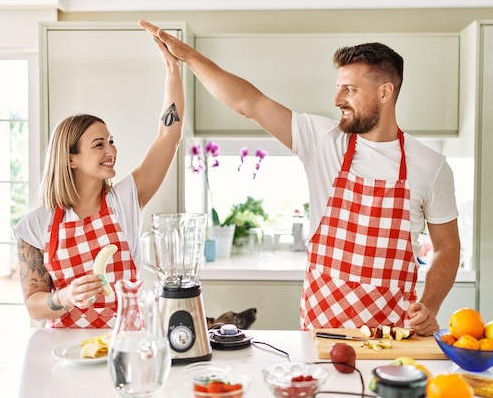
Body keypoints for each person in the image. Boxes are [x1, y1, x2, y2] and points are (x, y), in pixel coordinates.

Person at [139, 20, 461, 336]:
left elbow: (447, 247)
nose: (337, 101)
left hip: (393, 337)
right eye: (338, 89)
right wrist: (189, 57)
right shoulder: (323, 141)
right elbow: (248, 103)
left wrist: (429, 306)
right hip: (321, 331)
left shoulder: (430, 166)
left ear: (385, 92)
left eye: (349, 90)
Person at [13, 25, 184, 328]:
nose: (111, 150)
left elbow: (168, 137)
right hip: (65, 352)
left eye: (111, 141)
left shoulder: (125, 200)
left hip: (124, 345)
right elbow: (34, 305)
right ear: (71, 159)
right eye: (99, 144)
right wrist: (64, 297)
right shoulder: (36, 225)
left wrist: (173, 69)